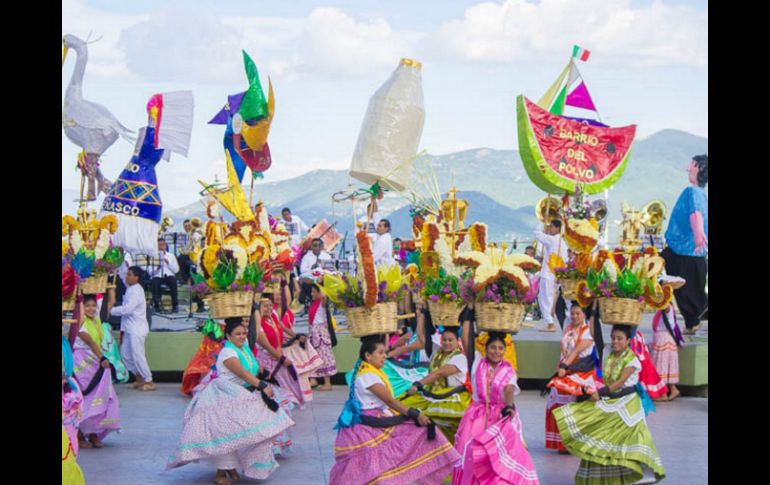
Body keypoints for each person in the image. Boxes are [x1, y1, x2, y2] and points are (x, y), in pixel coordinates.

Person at [167, 318, 294, 485]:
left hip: (242, 394)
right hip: (223, 396)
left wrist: (264, 373)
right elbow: (241, 372)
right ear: (228, 336)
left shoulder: (244, 347)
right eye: (237, 334)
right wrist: (261, 385)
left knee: (241, 433)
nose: (242, 337)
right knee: (224, 434)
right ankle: (220, 473)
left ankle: (231, 466)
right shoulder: (228, 353)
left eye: (243, 333)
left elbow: (251, 366)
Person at [329, 335, 460, 484]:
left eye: (385, 352)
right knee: (375, 468)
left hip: (374, 419)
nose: (385, 356)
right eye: (380, 353)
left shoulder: (368, 371)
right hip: (368, 426)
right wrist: (414, 414)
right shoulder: (368, 376)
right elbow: (390, 401)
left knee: (377, 468)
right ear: (368, 355)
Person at [553, 325, 666, 484]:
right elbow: (595, 333)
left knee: (634, 437)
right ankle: (607, 476)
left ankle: (643, 473)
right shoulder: (607, 352)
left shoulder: (632, 359)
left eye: (619, 338)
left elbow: (620, 382)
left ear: (628, 341)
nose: (615, 341)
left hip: (629, 402)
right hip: (612, 399)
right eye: (613, 338)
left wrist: (600, 393)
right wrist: (593, 311)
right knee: (603, 435)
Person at [452, 332, 539, 484]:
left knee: (499, 455)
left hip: (500, 416)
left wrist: (509, 406)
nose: (496, 351)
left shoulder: (508, 370)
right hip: (477, 416)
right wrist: (469, 312)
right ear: (485, 349)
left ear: (505, 351)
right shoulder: (476, 362)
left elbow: (509, 389)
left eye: (500, 348)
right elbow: (466, 339)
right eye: (493, 347)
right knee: (471, 452)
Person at [545, 304, 600, 453]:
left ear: (584, 315)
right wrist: (560, 367)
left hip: (581, 371)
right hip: (565, 368)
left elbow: (576, 352)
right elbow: (564, 350)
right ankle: (562, 442)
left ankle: (573, 441)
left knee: (570, 398)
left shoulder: (587, 332)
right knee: (555, 397)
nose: (575, 316)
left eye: (578, 313)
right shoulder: (567, 327)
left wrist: (563, 366)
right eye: (573, 313)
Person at [662, 155, 708, 334]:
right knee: (689, 293)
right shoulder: (703, 194)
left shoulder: (692, 192)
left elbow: (695, 213)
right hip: (691, 254)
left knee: (685, 292)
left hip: (684, 251)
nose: (688, 168)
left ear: (699, 168)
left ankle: (690, 322)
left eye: (692, 165)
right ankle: (691, 323)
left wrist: (698, 235)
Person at [401, 326, 470, 443]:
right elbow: (421, 338)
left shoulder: (460, 358)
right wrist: (422, 312)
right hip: (433, 395)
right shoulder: (437, 352)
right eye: (444, 340)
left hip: (451, 398)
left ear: (457, 341)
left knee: (443, 429)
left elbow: (439, 373)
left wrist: (418, 384)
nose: (447, 343)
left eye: (450, 340)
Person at [72, 294, 121, 449]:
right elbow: (91, 343)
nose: (91, 309)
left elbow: (97, 344)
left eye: (94, 306)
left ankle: (93, 434)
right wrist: (102, 359)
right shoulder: (80, 325)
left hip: (95, 362)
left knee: (102, 397)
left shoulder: (97, 322)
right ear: (81, 309)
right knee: (86, 399)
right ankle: (79, 435)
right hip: (82, 364)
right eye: (87, 306)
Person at [271, 283, 323, 402]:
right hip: (281, 344)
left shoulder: (286, 307)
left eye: (280, 294)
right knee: (290, 373)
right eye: (276, 295)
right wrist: (296, 336)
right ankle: (289, 397)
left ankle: (295, 396)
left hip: (289, 341)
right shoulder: (273, 311)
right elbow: (282, 327)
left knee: (298, 371)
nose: (279, 297)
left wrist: (285, 281)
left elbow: (293, 294)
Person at [107, 266, 155, 391]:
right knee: (125, 355)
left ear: (136, 277)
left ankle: (149, 380)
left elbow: (127, 309)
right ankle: (139, 378)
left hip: (136, 328)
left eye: (129, 274)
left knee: (138, 355)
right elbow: (121, 274)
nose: (126, 276)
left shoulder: (136, 291)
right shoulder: (130, 289)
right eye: (127, 274)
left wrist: (110, 311)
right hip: (129, 328)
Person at [254, 294, 306, 407]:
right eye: (265, 306)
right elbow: (266, 346)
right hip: (267, 358)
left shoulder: (273, 315)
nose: (268, 308)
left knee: (289, 379)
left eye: (270, 305)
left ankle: (287, 404)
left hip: (277, 355)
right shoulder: (257, 325)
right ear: (258, 308)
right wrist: (282, 359)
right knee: (279, 382)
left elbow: (282, 326)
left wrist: (297, 336)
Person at [534, 220, 569, 332]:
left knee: (545, 299)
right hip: (555, 274)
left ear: (558, 228)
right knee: (548, 299)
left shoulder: (553, 240)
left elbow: (536, 233)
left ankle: (550, 323)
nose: (550, 229)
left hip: (548, 274)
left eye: (552, 227)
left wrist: (542, 222)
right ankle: (550, 322)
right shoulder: (562, 242)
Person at [650, 304, 683, 401]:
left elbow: (667, 307)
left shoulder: (668, 309)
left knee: (662, 366)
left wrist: (664, 300)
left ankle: (663, 393)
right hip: (661, 340)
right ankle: (672, 389)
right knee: (663, 366)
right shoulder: (661, 312)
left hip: (664, 341)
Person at [308, 284, 337, 391]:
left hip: (321, 335)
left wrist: (320, 282)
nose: (312, 294)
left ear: (320, 293)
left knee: (324, 357)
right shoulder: (314, 303)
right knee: (313, 356)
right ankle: (313, 379)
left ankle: (327, 383)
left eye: (314, 292)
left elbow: (325, 296)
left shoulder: (322, 303)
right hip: (313, 333)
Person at [630, 328, 668, 401]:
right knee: (652, 377)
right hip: (645, 359)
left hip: (642, 361)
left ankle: (653, 395)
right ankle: (662, 395)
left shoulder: (633, 336)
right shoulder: (638, 333)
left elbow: (634, 350)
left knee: (648, 378)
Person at [150, 238, 180, 313]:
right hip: (158, 275)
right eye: (159, 245)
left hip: (168, 275)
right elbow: (149, 272)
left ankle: (175, 305)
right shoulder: (153, 256)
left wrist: (168, 263)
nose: (161, 246)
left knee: (173, 280)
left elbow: (176, 270)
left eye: (163, 244)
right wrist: (157, 268)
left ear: (166, 245)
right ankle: (156, 305)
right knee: (154, 281)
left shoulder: (171, 256)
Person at [299, 238, 330, 304]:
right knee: (304, 279)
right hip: (311, 280)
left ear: (322, 247)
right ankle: (312, 301)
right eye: (315, 245)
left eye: (319, 246)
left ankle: (325, 301)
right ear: (311, 246)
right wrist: (312, 269)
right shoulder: (306, 257)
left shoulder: (327, 256)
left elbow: (330, 270)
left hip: (324, 279)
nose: (317, 248)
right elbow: (302, 271)